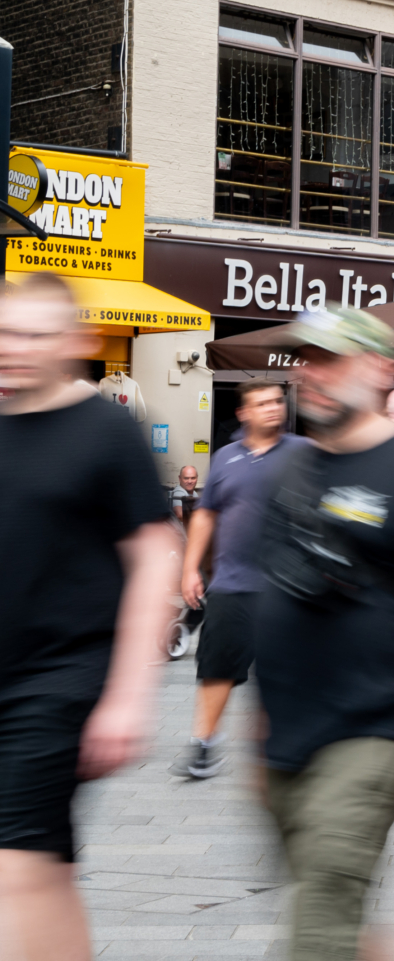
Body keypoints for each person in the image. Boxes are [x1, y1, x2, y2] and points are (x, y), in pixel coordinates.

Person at [252, 307, 394, 961]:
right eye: (302, 358)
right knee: (340, 914)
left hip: (373, 731)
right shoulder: (288, 469)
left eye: (327, 357)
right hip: (287, 741)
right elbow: (276, 597)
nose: (307, 372)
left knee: (318, 922)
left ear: (381, 367)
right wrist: (254, 732)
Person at [0, 275, 176, 961]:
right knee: (43, 872)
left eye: (35, 335)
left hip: (60, 681)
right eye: (7, 332)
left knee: (14, 869)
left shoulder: (104, 427)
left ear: (75, 341)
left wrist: (128, 698)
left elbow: (156, 557)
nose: (15, 348)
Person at [173, 378, 313, 779]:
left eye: (277, 401)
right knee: (216, 667)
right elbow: (207, 514)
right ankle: (204, 744)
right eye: (262, 403)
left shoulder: (304, 453)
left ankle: (283, 745)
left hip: (288, 588)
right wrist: (190, 568)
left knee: (286, 671)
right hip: (233, 583)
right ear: (243, 413)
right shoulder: (225, 457)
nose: (273, 408)